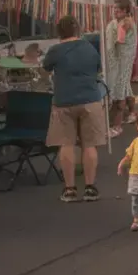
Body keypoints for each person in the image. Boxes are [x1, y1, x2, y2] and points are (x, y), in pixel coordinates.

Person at [43, 15, 105, 203]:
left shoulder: (55, 50)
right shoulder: (90, 48)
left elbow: (46, 68)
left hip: (64, 101)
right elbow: (98, 69)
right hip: (90, 100)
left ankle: (69, 189)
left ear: (59, 32)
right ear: (77, 30)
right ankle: (90, 187)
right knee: (89, 144)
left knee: (66, 144)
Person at [105, 0, 137, 138]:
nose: (115, 12)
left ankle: (117, 126)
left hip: (121, 61)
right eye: (114, 9)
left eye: (117, 10)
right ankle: (131, 114)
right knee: (125, 87)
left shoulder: (125, 23)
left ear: (125, 11)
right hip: (118, 61)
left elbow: (120, 39)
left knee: (120, 91)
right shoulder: (119, 22)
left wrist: (120, 31)